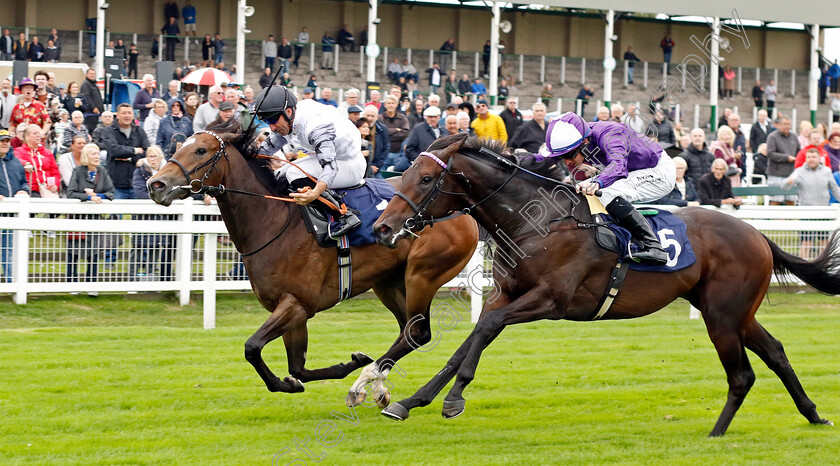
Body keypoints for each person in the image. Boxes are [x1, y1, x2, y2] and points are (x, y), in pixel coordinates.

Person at [540, 112, 676, 264]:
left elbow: (618, 166)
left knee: (605, 192)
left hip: (659, 171)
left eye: (571, 155)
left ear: (585, 141)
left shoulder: (611, 134)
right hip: (635, 172)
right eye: (561, 157)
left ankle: (653, 246)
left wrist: (597, 182)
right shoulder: (578, 138)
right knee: (578, 190)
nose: (568, 162)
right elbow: (540, 159)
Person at [255, 85, 363, 236]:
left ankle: (344, 215)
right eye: (267, 121)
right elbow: (263, 151)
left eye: (273, 119)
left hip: (349, 164)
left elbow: (330, 167)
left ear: (288, 112)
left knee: (293, 173)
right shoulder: (287, 120)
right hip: (327, 159)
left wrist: (315, 193)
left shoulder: (315, 126)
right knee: (279, 174)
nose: (271, 127)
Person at [66, 143, 114, 285]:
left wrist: (98, 196)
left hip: (94, 219)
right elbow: (70, 193)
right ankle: (71, 283)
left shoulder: (102, 171)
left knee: (93, 253)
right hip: (77, 219)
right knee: (73, 252)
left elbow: (111, 192)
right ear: (86, 156)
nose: (97, 157)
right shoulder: (78, 170)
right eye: (93, 154)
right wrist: (87, 197)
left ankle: (91, 284)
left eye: (97, 154)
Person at [786, 148, 840, 258]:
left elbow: (835, 190)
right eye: (809, 157)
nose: (811, 159)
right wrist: (788, 182)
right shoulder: (799, 171)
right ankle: (803, 271)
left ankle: (823, 269)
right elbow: (785, 186)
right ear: (806, 159)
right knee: (806, 243)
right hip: (807, 212)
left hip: (823, 212)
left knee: (824, 243)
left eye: (814, 157)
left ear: (819, 158)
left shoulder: (826, 171)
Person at [131, 145, 169, 278]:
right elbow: (139, 193)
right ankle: (132, 279)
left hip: (160, 217)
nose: (152, 159)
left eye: (155, 156)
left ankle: (151, 278)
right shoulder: (140, 172)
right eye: (150, 156)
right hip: (143, 216)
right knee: (138, 248)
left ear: (161, 158)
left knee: (156, 248)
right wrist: (159, 197)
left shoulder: (167, 172)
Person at [102, 104, 149, 199]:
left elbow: (146, 152)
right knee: (116, 213)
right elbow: (114, 150)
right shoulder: (108, 131)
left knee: (139, 213)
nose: (127, 116)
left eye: (129, 113)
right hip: (116, 183)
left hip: (137, 183)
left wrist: (129, 158)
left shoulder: (139, 131)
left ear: (133, 115)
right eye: (123, 113)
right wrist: (135, 150)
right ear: (118, 115)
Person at [0, 129, 28, 282]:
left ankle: (11, 281)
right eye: (2, 141)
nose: (4, 144)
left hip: (11, 213)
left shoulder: (15, 162)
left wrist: (23, 191)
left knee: (8, 249)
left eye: (6, 141)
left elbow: (24, 182)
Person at [14, 124, 60, 198]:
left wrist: (55, 184)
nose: (38, 135)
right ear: (27, 137)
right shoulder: (19, 151)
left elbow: (55, 171)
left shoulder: (47, 152)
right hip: (31, 189)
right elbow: (17, 160)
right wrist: (25, 163)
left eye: (39, 133)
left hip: (48, 189)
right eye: (35, 133)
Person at [766, 116, 799, 205]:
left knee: (791, 200)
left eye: (789, 124)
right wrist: (786, 158)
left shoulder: (794, 137)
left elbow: (798, 152)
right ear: (779, 125)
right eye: (785, 124)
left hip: (791, 173)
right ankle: (773, 219)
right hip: (776, 174)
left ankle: (790, 219)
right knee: (775, 200)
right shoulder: (772, 136)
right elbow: (770, 153)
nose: (787, 126)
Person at [378, 95, 410, 172]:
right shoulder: (380, 118)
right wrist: (396, 130)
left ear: (396, 104)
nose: (390, 105)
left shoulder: (402, 118)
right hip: (384, 154)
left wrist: (388, 133)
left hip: (399, 154)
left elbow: (405, 133)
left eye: (392, 103)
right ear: (385, 105)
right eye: (388, 103)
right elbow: (381, 134)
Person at [363, 105, 390, 176]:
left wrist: (376, 166)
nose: (370, 118)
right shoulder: (356, 128)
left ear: (377, 117)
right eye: (368, 115)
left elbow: (386, 148)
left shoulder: (382, 129)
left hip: (376, 168)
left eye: (372, 116)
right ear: (363, 115)